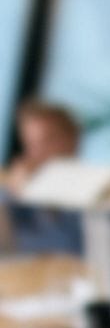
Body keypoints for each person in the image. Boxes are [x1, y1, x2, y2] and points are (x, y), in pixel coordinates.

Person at [0, 99, 84, 254]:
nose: (38, 153)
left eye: (48, 141)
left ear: (73, 140)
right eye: (31, 144)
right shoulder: (13, 196)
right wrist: (16, 194)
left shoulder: (95, 193)